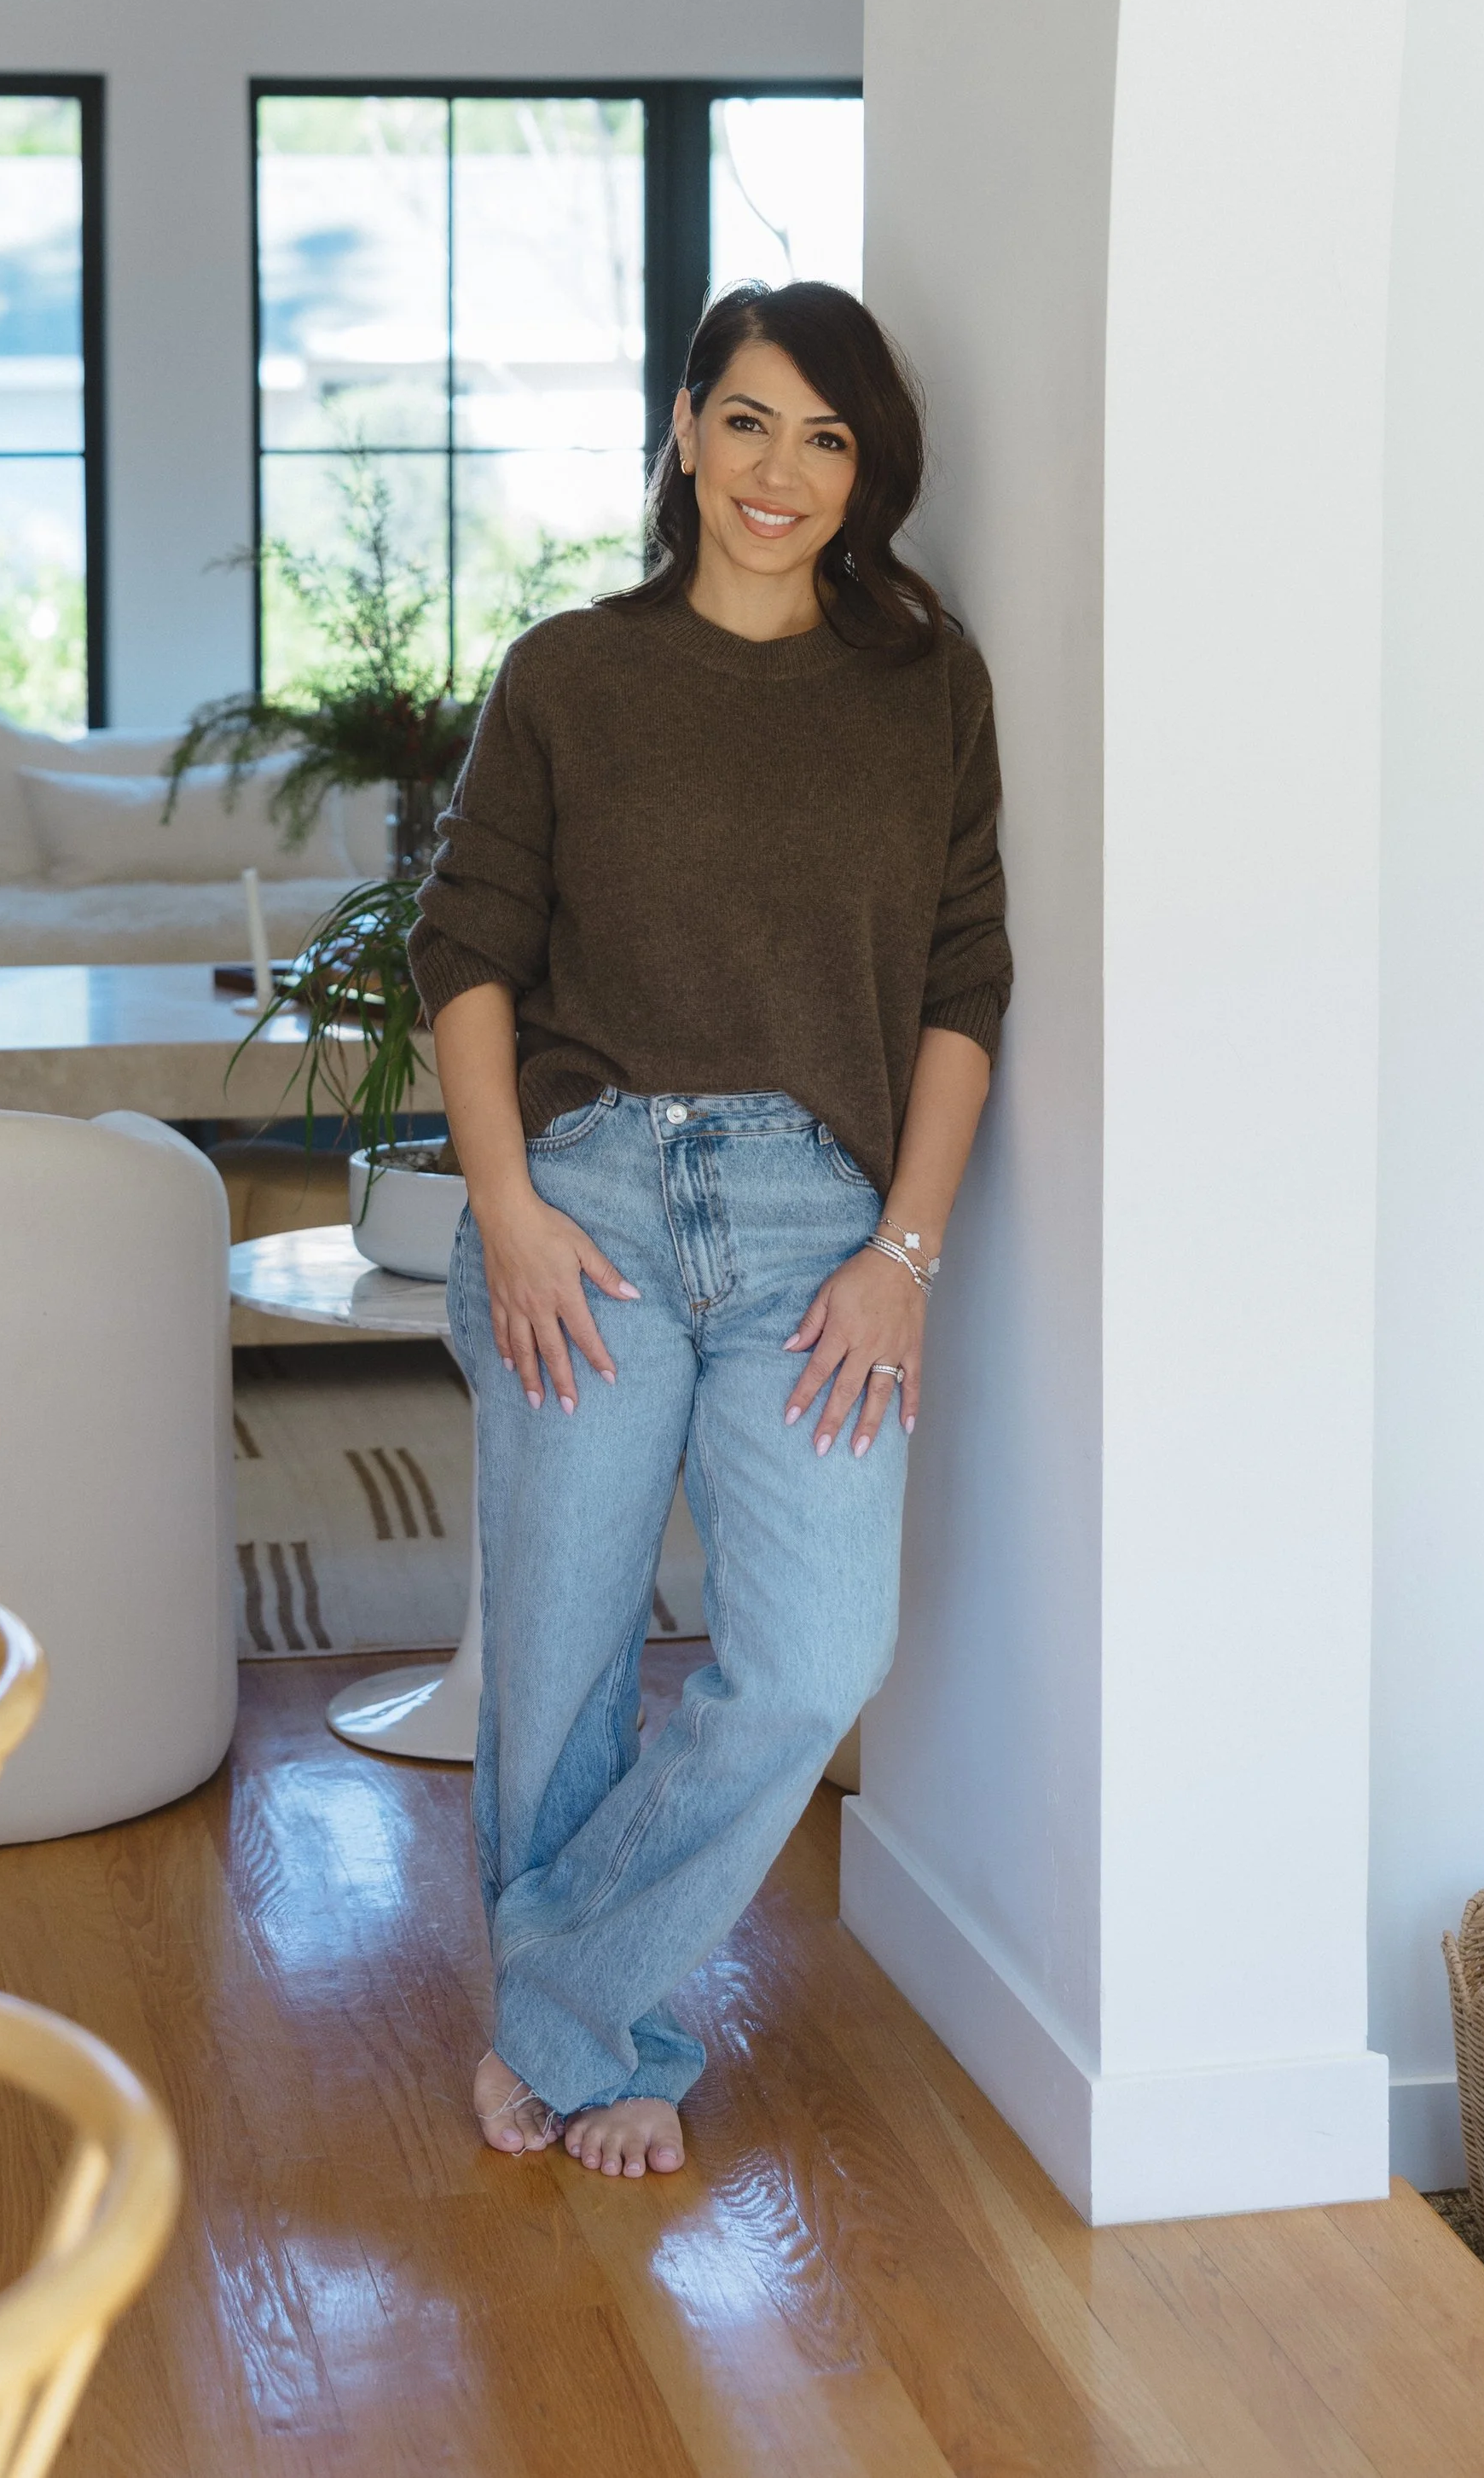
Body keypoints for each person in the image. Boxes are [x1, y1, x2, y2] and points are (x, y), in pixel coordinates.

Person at [410, 279, 1012, 2179]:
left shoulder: (925, 680)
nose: (779, 470)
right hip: (578, 1210)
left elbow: (960, 987)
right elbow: (466, 953)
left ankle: (557, 1995)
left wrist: (901, 1258)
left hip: (814, 1233)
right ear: (682, 429)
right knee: (565, 1648)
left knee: (817, 1654)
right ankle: (592, 2041)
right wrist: (501, 1207)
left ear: (864, 473)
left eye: (824, 438)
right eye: (747, 420)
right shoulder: (571, 675)